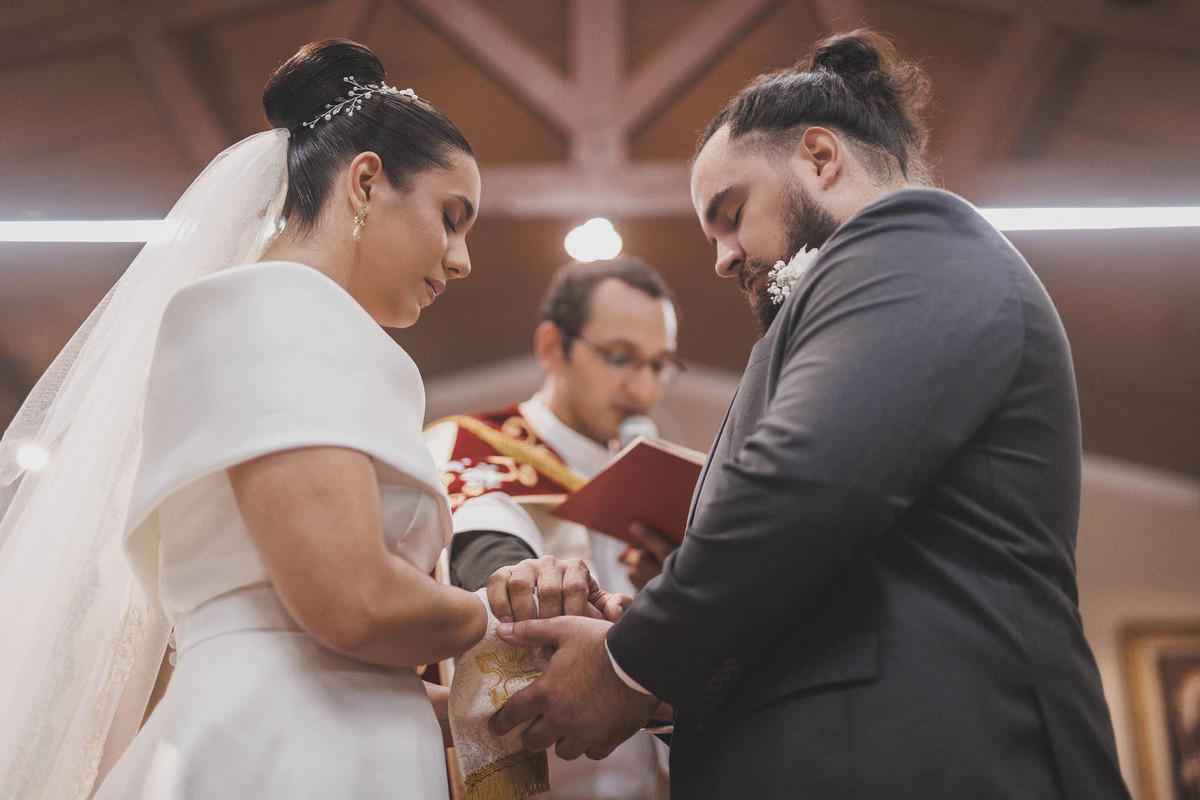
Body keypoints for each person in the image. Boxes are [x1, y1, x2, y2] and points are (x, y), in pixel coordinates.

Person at [486, 29, 1134, 799]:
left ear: (821, 158)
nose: (723, 257)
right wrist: (669, 672)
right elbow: (830, 587)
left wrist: (629, 661)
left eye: (730, 213)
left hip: (939, 759)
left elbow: (804, 484)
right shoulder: (850, 298)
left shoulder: (916, 240)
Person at [0, 39, 608, 799]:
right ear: (365, 182)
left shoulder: (313, 327)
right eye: (450, 218)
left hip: (324, 729)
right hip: (282, 749)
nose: (462, 260)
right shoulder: (276, 304)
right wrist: (499, 618)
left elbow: (331, 644)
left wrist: (497, 701)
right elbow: (351, 601)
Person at [425, 257, 680, 799]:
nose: (641, 385)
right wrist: (525, 579)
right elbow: (485, 539)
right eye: (619, 357)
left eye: (659, 365)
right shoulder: (477, 447)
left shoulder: (670, 483)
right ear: (550, 347)